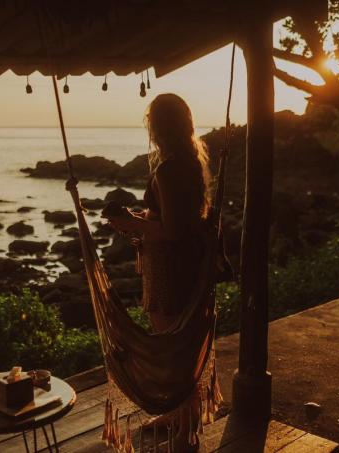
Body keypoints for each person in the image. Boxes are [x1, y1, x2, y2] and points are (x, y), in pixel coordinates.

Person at [106, 93, 210, 451]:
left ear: (157, 125)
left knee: (173, 352)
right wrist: (136, 221)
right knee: (181, 345)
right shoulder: (190, 161)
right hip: (184, 266)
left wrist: (127, 223)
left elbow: (172, 230)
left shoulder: (167, 168)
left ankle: (185, 433)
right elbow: (173, 219)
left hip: (168, 269)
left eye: (150, 120)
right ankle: (179, 416)